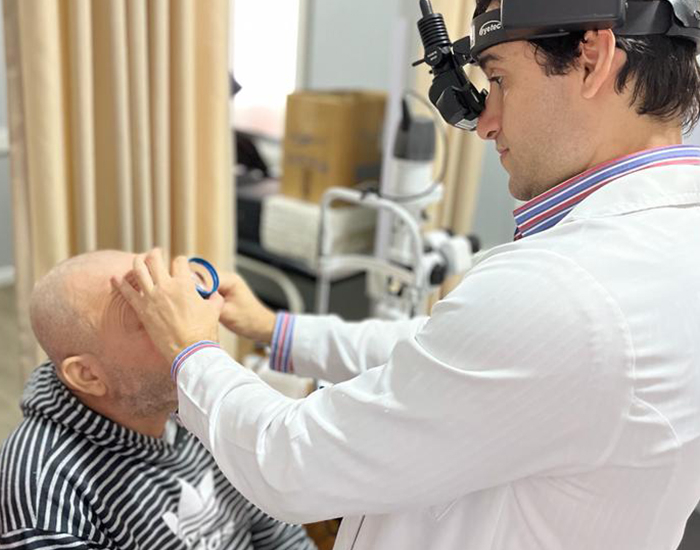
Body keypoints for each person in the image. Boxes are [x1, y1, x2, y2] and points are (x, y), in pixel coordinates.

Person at [114, 1, 700, 548]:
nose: (486, 122)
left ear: (591, 58)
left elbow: (291, 464)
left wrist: (190, 351)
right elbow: (451, 357)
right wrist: (274, 329)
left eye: (499, 79)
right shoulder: (664, 244)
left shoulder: (567, 292)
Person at [0, 251, 316, 550]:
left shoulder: (193, 400)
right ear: (88, 375)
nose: (186, 324)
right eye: (149, 316)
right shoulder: (44, 494)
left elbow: (280, 535)